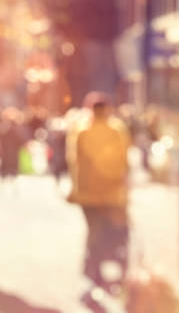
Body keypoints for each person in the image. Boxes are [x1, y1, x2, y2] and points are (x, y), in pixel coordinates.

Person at [67, 92, 131, 304]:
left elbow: (75, 163)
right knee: (110, 232)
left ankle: (93, 270)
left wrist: (74, 189)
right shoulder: (117, 131)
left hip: (88, 194)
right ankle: (103, 269)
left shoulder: (82, 131)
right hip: (111, 194)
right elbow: (124, 162)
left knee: (94, 232)